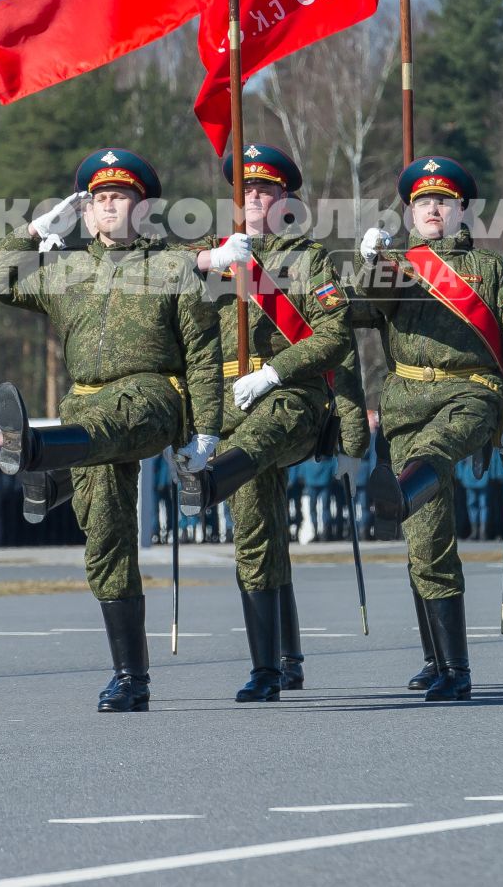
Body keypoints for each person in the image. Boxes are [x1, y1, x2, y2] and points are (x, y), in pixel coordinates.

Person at [0, 146, 222, 712]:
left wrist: (206, 431)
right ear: (85, 213)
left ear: (145, 209)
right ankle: (131, 677)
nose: (110, 207)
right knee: (106, 540)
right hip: (85, 406)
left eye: (122, 197)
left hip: (154, 395)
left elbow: (205, 356)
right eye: (100, 199)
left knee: (114, 417)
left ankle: (40, 454)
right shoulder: (64, 270)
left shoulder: (171, 267)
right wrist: (35, 229)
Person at [357, 154, 503, 701]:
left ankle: (456, 671)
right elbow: (363, 311)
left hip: (472, 393)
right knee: (425, 535)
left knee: (432, 458)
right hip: (406, 399)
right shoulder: (397, 265)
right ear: (410, 210)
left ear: (463, 209)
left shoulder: (488, 272)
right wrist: (371, 264)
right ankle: (443, 662)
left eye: (443, 201)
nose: (433, 209)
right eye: (422, 202)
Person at [177, 143, 357, 702]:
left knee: (255, 446)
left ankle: (205, 483)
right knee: (257, 536)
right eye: (246, 190)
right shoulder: (215, 254)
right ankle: (276, 664)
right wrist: (204, 262)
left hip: (291, 396)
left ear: (287, 198)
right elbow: (161, 300)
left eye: (266, 189)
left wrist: (276, 372)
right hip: (228, 402)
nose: (255, 197)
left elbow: (335, 336)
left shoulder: (310, 259)